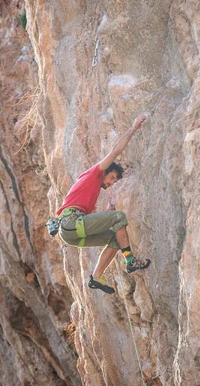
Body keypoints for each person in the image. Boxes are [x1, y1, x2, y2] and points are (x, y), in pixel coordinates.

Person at [56, 115, 151, 294]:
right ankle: (130, 261)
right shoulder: (94, 173)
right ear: (105, 171)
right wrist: (133, 127)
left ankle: (96, 277)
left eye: (114, 181)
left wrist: (107, 213)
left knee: (115, 240)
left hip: (72, 235)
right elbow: (115, 151)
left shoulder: (90, 190)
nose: (111, 182)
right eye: (112, 177)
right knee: (119, 216)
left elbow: (92, 221)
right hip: (71, 224)